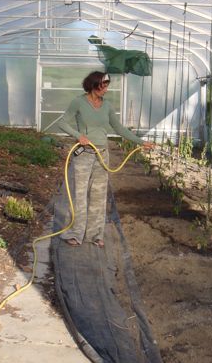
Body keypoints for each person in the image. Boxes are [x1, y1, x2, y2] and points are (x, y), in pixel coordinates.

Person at [58, 71, 153, 247]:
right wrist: (78, 135)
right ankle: (76, 233)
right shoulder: (78, 102)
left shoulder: (107, 106)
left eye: (107, 85)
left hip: (102, 154)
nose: (106, 89)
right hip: (84, 154)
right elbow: (62, 122)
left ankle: (95, 235)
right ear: (93, 85)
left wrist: (141, 142)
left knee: (99, 195)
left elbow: (119, 128)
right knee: (80, 195)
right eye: (103, 85)